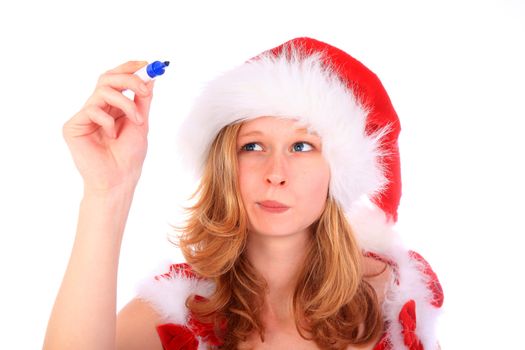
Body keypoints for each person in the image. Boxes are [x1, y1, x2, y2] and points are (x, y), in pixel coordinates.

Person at [43, 37, 443, 350]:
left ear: (337, 173)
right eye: (252, 146)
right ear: (225, 164)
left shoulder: (395, 308)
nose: (275, 174)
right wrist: (107, 191)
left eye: (302, 146)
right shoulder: (170, 314)